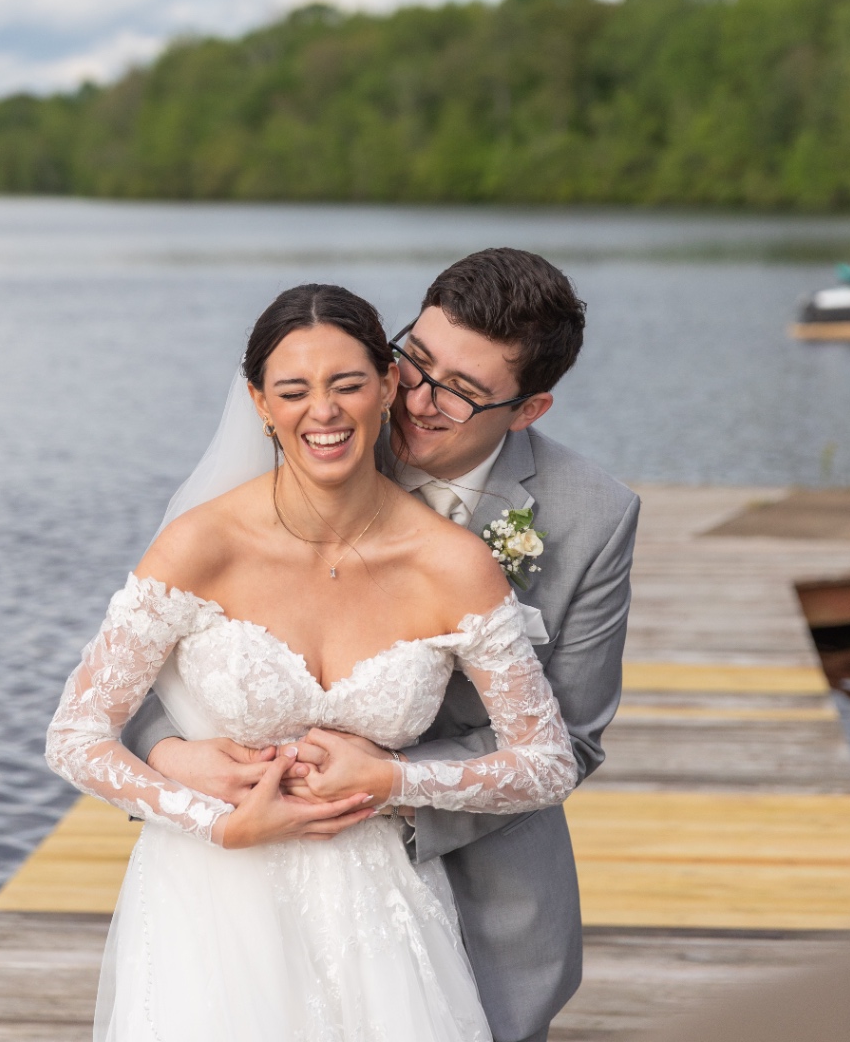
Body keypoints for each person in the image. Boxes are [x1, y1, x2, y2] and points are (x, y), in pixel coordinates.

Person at [126, 250, 640, 1042]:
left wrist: (390, 786)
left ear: (529, 409)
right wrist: (175, 757)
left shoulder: (592, 515)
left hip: (480, 885)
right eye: (414, 361)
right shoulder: (315, 428)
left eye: (462, 392)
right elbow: (133, 666)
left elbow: (569, 739)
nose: (417, 399)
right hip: (252, 888)